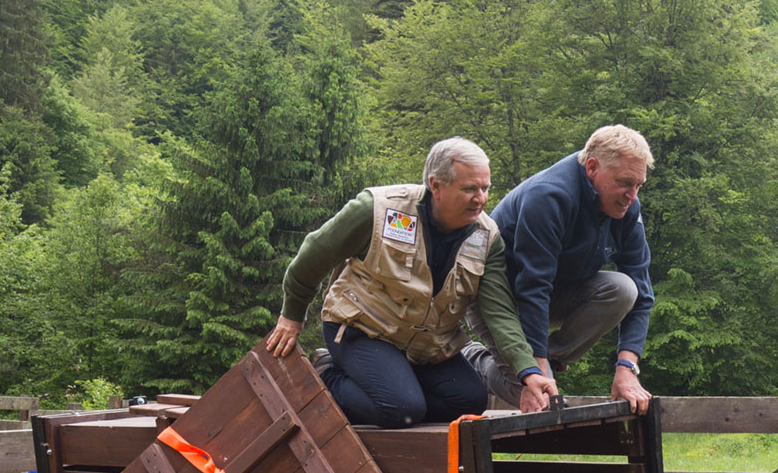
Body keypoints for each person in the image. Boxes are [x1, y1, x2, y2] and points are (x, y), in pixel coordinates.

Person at [263, 137, 556, 426]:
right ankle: (328, 374)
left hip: (425, 345)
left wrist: (528, 371)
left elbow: (500, 313)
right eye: (469, 189)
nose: (480, 198)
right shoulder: (378, 210)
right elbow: (315, 253)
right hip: (361, 330)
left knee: (468, 401)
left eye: (485, 188)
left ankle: (396, 389)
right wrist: (292, 315)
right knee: (401, 409)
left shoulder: (486, 237)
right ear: (436, 186)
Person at [489, 124, 655, 414]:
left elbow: (641, 291)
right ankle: (477, 362)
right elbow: (534, 288)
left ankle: (544, 362)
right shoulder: (550, 197)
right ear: (592, 168)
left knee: (623, 289)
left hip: (553, 291)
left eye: (638, 185)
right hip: (499, 299)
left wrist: (627, 367)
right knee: (532, 393)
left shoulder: (628, 208)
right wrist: (533, 370)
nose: (632, 195)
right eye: (625, 183)